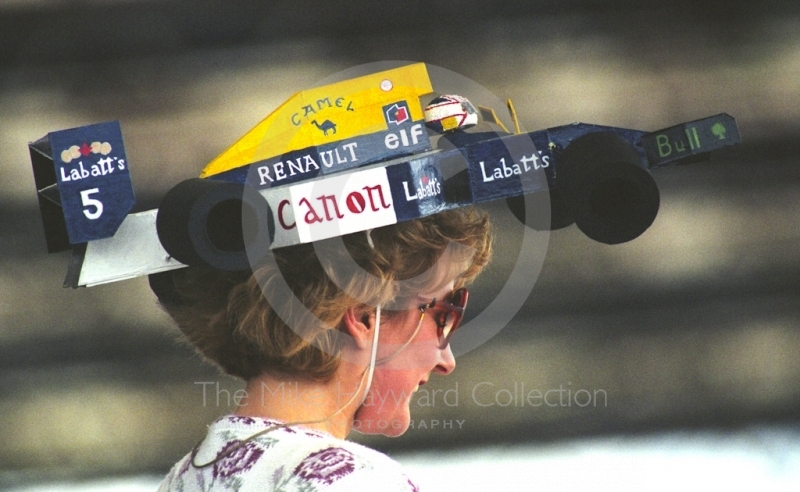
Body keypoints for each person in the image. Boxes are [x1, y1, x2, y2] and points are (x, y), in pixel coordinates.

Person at [157, 207, 492, 491]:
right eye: (445, 314)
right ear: (363, 318)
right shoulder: (362, 481)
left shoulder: (182, 479)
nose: (447, 361)